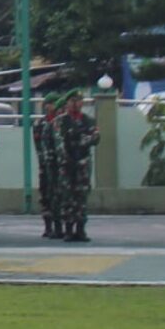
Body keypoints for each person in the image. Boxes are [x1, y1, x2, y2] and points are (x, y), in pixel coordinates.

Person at [53, 95, 97, 242]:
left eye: (78, 101)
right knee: (67, 197)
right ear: (67, 103)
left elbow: (95, 137)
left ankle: (80, 229)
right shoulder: (61, 121)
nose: (76, 104)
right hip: (67, 164)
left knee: (81, 197)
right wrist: (67, 157)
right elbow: (59, 141)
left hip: (83, 163)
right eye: (73, 101)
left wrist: (84, 141)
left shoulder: (88, 120)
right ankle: (69, 229)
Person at [35, 97, 67, 239]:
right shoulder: (41, 124)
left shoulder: (65, 123)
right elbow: (40, 146)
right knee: (47, 195)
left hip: (63, 166)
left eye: (55, 104)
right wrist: (46, 162)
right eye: (50, 104)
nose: (53, 107)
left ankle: (63, 226)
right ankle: (49, 226)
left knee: (62, 195)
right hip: (47, 165)